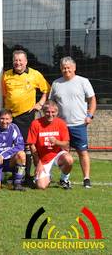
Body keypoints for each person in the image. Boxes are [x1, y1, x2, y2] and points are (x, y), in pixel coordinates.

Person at [2, 50, 49, 185]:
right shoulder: (6, 75)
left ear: (26, 61)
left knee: (26, 146)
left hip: (26, 116)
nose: (17, 63)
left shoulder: (35, 74)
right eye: (15, 60)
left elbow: (46, 89)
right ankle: (15, 175)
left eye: (20, 60)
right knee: (11, 146)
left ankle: (26, 176)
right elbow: (5, 95)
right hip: (10, 116)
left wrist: (40, 103)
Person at [49, 57, 96, 188]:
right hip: (62, 125)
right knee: (64, 153)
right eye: (64, 67)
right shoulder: (56, 84)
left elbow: (92, 100)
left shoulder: (83, 81)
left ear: (74, 68)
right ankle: (64, 179)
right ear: (60, 69)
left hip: (79, 124)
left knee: (82, 152)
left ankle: (86, 178)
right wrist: (52, 119)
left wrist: (90, 115)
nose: (66, 70)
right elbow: (51, 103)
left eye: (69, 67)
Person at [26, 101, 73, 190]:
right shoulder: (35, 124)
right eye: (47, 112)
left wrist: (56, 142)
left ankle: (64, 180)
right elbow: (32, 145)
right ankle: (48, 176)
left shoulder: (61, 123)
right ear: (43, 112)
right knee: (41, 186)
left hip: (57, 155)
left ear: (57, 112)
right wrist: (38, 163)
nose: (50, 114)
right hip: (43, 159)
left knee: (69, 159)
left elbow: (66, 143)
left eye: (53, 112)